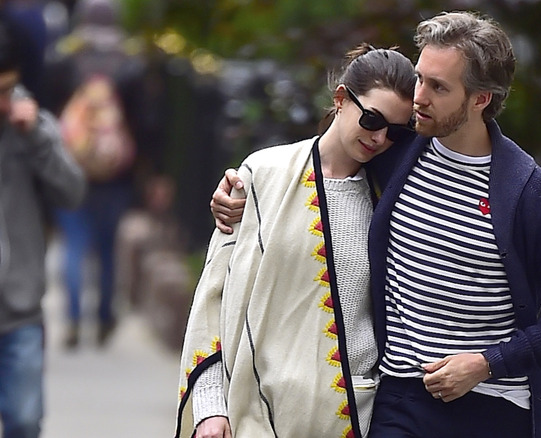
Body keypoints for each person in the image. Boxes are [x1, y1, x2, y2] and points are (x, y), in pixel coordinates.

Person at [212, 11, 541, 438]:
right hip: (399, 402)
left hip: (491, 407)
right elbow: (324, 165)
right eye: (420, 78)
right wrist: (243, 190)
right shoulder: (395, 152)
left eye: (439, 87)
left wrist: (487, 363)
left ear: (480, 99)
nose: (419, 97)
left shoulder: (527, 190)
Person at [175, 44, 416, 438]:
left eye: (396, 132)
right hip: (250, 416)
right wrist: (209, 407)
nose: (379, 137)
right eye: (372, 118)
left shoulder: (394, 198)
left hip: (351, 418)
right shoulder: (262, 175)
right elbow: (213, 299)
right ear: (341, 99)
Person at [0, 22, 86, 438]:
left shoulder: (33, 127)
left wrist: (36, 137)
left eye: (8, 89)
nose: (4, 102)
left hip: (20, 310)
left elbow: (72, 193)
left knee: (23, 420)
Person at [43, 0, 147, 348]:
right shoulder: (130, 66)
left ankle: (73, 319)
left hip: (69, 167)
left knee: (73, 243)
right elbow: (146, 124)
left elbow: (48, 116)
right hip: (115, 175)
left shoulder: (64, 62)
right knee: (105, 246)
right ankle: (103, 317)